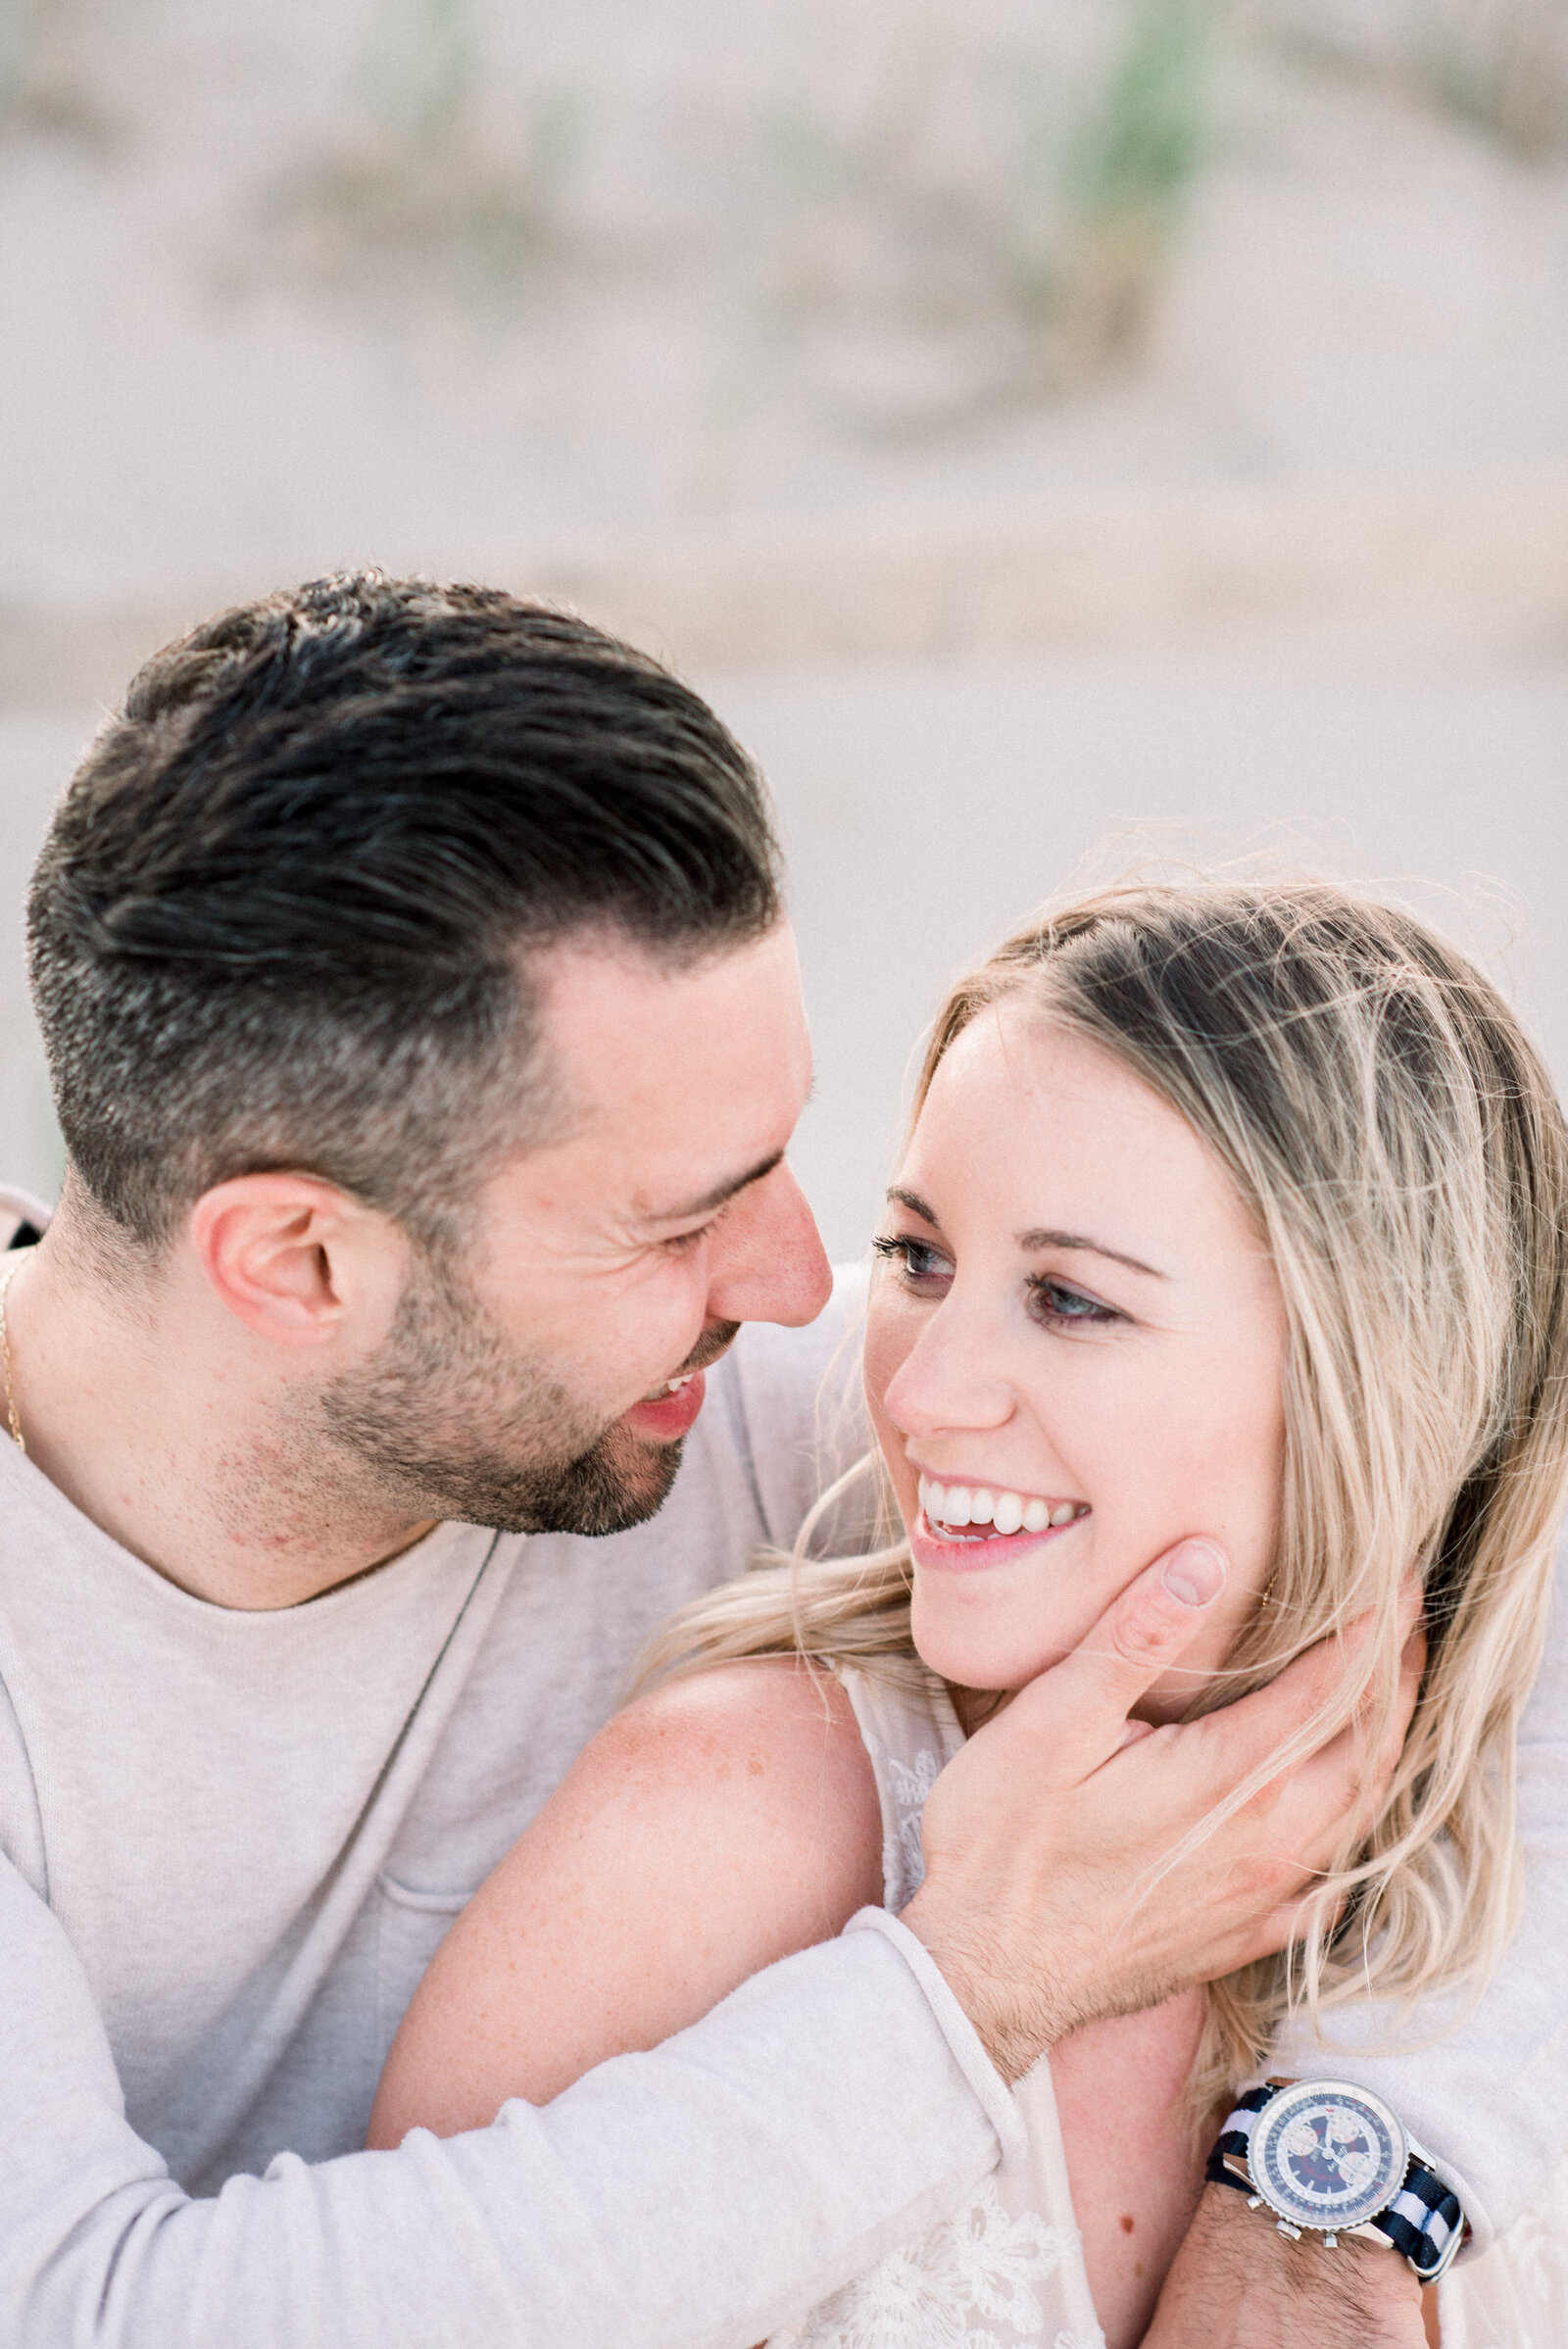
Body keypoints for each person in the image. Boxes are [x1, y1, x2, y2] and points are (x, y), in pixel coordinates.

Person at [0, 571, 1552, 2349]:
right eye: (680, 1221)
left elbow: (1463, 1489)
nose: (804, 1287)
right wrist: (976, 1985)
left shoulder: (744, 1414)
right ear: (302, 1264)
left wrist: (1339, 2199)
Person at [368, 875, 1568, 2348]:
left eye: (1069, 1298)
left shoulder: (1486, 1836)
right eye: (920, 1258)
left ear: (1372, 1374)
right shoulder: (728, 1825)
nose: (922, 1396)